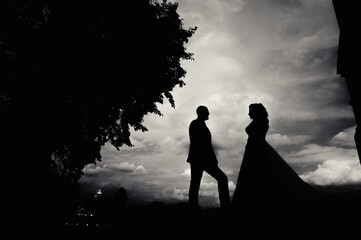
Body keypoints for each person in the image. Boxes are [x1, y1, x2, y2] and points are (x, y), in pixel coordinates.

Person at [232, 103, 316, 214]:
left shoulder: (259, 122)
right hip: (254, 149)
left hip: (256, 149)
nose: (248, 113)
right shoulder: (259, 121)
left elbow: (257, 138)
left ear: (256, 112)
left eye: (250, 111)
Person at [187, 105, 231, 209]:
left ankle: (193, 207)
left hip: (201, 159)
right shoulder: (195, 124)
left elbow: (206, 144)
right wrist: (212, 158)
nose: (209, 114)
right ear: (201, 113)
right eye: (207, 112)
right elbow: (203, 145)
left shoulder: (200, 124)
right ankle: (226, 206)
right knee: (221, 179)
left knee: (195, 184)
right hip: (201, 159)